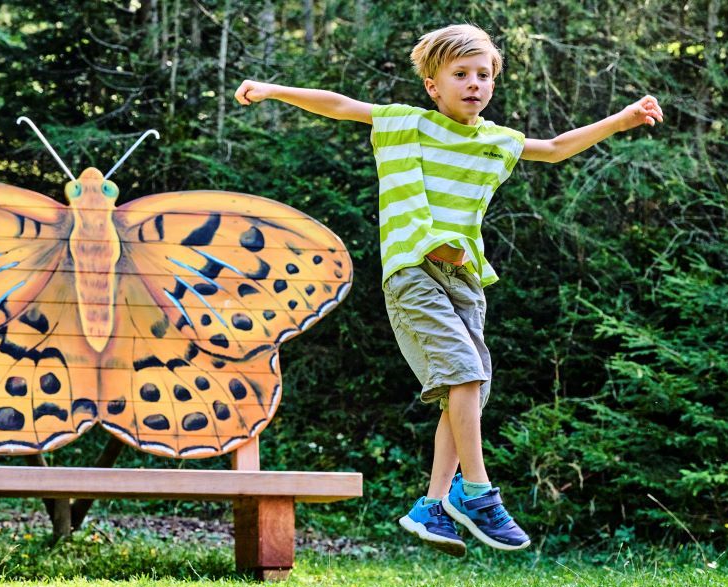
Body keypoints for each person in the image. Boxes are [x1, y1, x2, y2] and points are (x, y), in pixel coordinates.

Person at [234, 24, 662, 556]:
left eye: (484, 75)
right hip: (414, 272)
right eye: (460, 74)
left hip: (465, 280)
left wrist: (623, 119)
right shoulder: (407, 125)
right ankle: (478, 492)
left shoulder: (495, 141)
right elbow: (342, 105)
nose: (474, 84)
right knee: (464, 373)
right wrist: (275, 90)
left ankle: (434, 506)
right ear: (434, 86)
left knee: (469, 390)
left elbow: (553, 148)